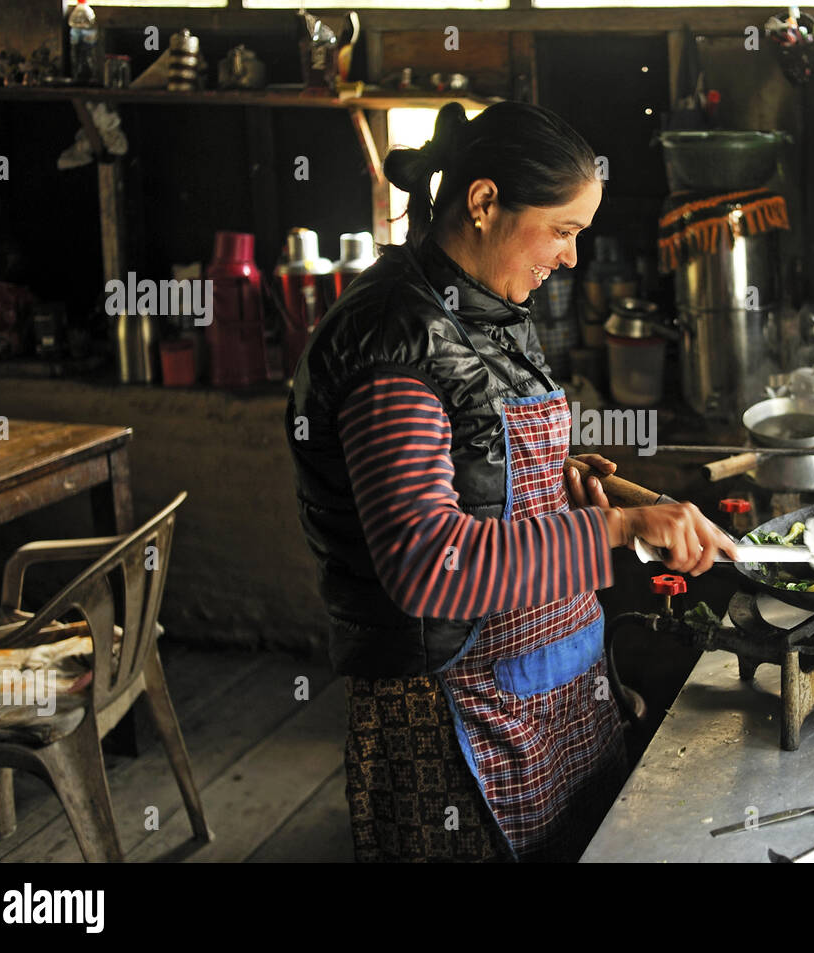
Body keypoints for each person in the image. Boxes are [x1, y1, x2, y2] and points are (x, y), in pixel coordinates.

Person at [285, 101, 736, 863]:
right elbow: (433, 563)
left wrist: (557, 477)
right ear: (485, 202)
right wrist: (618, 531)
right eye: (561, 231)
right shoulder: (394, 340)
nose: (569, 258)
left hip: (546, 691)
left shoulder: (483, 306)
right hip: (453, 721)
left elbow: (469, 462)